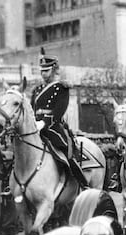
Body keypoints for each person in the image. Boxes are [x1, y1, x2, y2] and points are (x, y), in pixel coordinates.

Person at [31, 47, 87, 186]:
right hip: (35, 125)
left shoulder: (61, 87)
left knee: (62, 146)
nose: (44, 74)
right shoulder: (37, 89)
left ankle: (78, 179)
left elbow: (59, 111)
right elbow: (33, 108)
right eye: (42, 71)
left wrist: (44, 123)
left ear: (54, 70)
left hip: (52, 126)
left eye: (46, 70)